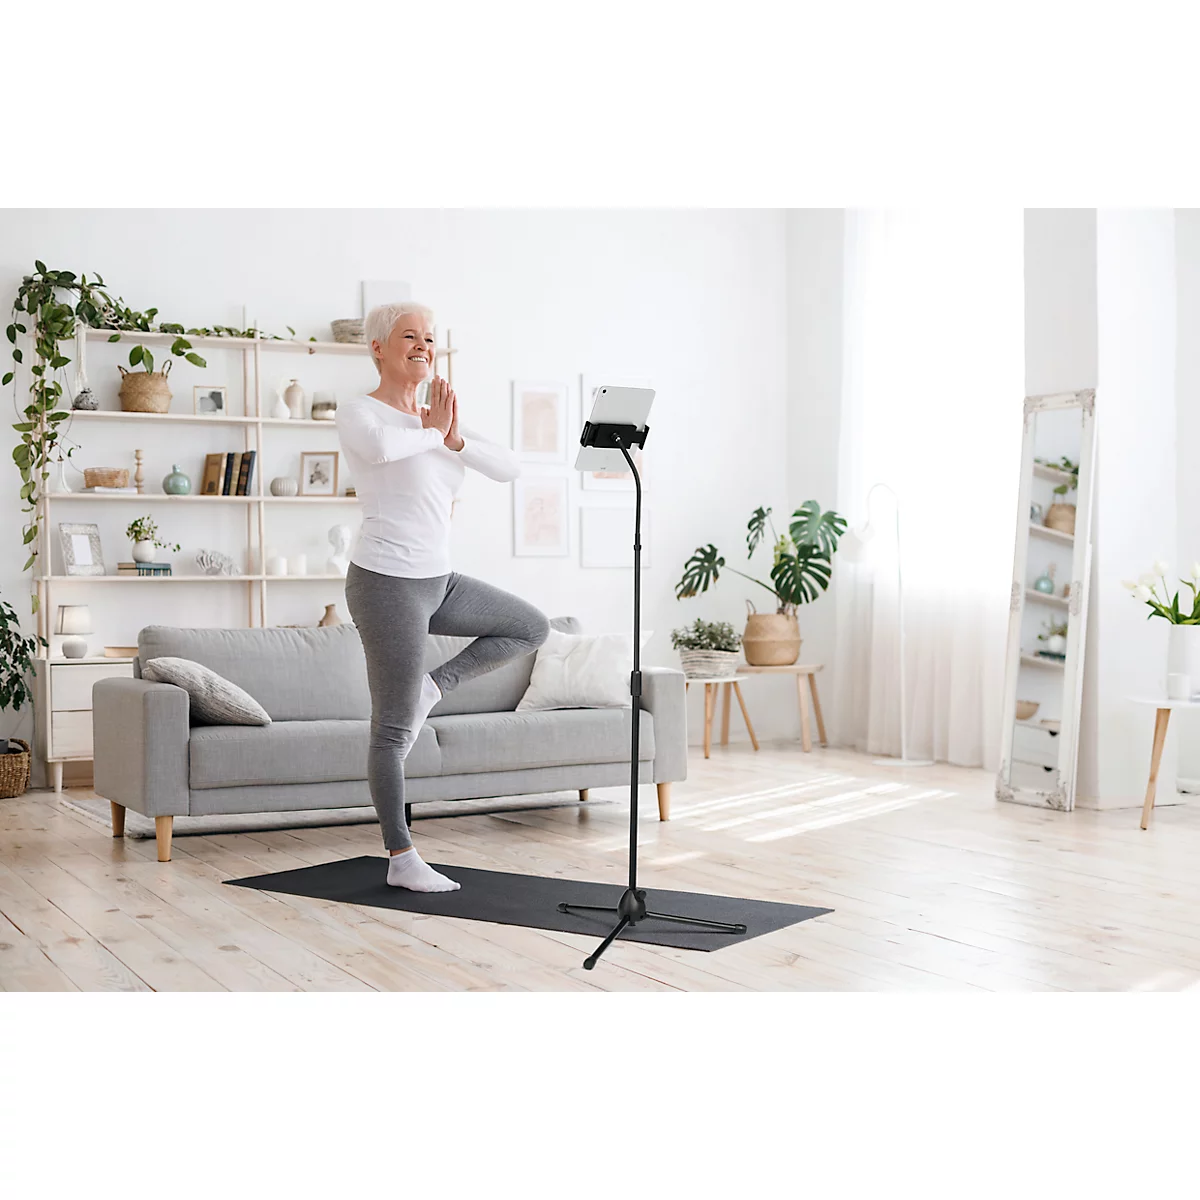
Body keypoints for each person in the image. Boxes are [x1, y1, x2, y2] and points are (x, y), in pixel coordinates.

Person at [337, 302, 550, 892]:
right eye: (410, 336)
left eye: (430, 338)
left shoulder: (439, 420)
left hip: (440, 579)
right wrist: (433, 431)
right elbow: (382, 450)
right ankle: (401, 858)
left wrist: (453, 438)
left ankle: (438, 686)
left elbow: (508, 468)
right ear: (378, 347)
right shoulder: (360, 413)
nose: (423, 345)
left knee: (529, 626)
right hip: (385, 582)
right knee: (393, 728)